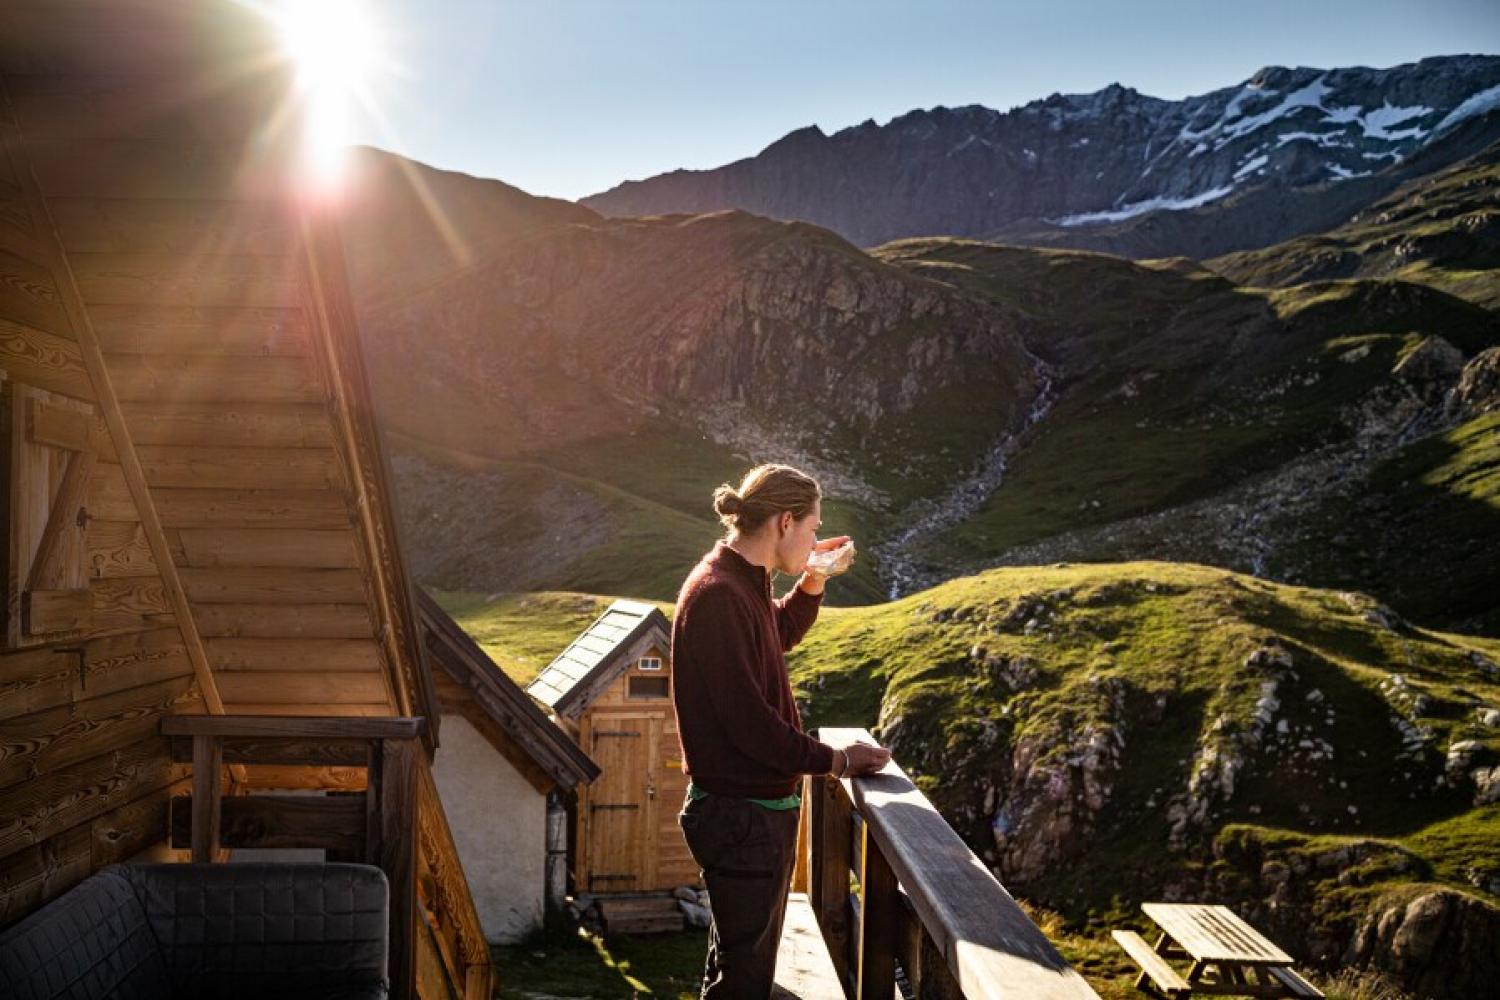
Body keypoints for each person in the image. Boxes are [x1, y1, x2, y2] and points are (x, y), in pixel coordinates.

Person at [671, 463, 891, 999]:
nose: (817, 536)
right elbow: (754, 731)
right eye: (814, 527)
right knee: (744, 982)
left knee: (737, 969)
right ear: (785, 522)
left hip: (747, 814)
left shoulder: (739, 583)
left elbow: (780, 630)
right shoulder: (720, 595)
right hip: (742, 818)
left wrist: (813, 577)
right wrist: (838, 761)